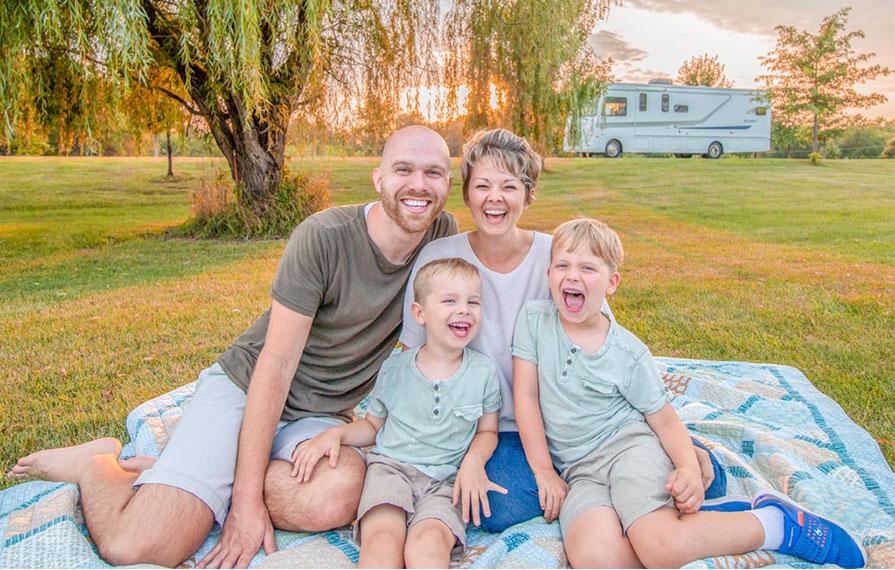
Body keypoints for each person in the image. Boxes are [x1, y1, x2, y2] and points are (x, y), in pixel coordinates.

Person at [9, 125, 458, 568]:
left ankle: (196, 476)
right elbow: (276, 365)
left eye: (433, 173)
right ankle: (98, 463)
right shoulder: (324, 236)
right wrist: (245, 502)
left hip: (320, 416)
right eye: (404, 169)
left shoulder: (442, 237)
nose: (418, 185)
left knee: (337, 493)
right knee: (138, 546)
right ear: (378, 178)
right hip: (248, 387)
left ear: (448, 184)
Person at [400, 128, 724, 533]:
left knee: (692, 473)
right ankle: (608, 483)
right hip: (492, 429)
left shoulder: (559, 258)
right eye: (482, 186)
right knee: (491, 509)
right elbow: (414, 358)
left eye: (509, 186)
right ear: (466, 194)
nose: (494, 198)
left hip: (575, 422)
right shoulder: (440, 257)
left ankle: (666, 457)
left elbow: (605, 351)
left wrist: (674, 446)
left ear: (529, 194)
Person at [512, 218, 867, 568]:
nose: (572, 275)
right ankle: (704, 524)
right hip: (578, 471)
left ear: (611, 283)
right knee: (595, 558)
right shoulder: (534, 321)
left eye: (588, 268)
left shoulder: (628, 354)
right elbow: (526, 397)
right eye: (563, 265)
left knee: (660, 550)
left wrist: (687, 467)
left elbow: (664, 421)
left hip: (628, 450)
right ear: (548, 276)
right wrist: (544, 470)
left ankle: (776, 525)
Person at [292, 258, 504, 567]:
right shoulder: (394, 369)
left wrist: (473, 462)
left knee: (428, 546)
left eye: (473, 302)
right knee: (382, 541)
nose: (464, 310)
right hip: (390, 471)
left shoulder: (483, 372)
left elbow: (487, 431)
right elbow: (372, 427)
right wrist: (336, 433)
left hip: (445, 482)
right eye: (449, 301)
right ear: (420, 313)